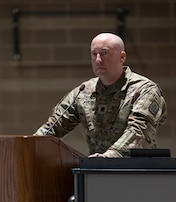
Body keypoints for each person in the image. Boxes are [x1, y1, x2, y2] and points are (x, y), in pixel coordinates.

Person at [34, 32, 167, 157]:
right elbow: (53, 127)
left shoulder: (144, 90)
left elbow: (139, 131)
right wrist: (28, 147)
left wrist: (110, 156)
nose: (98, 60)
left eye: (105, 53)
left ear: (122, 57)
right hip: (97, 173)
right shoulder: (83, 91)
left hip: (138, 173)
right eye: (94, 54)